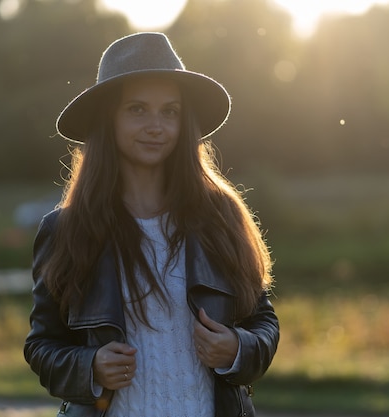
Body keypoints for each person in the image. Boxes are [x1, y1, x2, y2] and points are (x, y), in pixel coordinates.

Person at [24, 32, 279, 417]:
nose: (156, 125)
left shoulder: (219, 217)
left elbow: (263, 320)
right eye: (137, 109)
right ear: (108, 119)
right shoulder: (66, 230)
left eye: (170, 111)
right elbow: (42, 345)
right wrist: (89, 365)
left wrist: (237, 348)